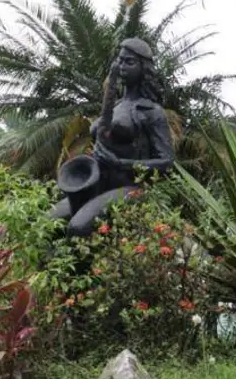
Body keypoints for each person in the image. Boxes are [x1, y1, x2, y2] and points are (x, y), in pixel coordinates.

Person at [50, 37, 175, 237]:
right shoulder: (115, 105)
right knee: (49, 222)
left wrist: (121, 163)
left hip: (130, 188)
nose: (122, 66)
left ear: (143, 68)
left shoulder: (151, 111)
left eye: (129, 62)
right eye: (120, 60)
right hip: (98, 183)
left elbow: (167, 162)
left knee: (78, 228)